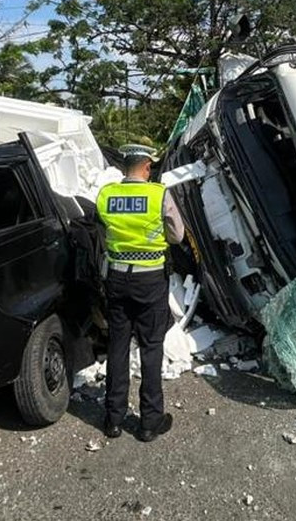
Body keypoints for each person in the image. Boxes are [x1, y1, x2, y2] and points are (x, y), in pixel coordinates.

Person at [95, 144, 185, 443]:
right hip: (150, 283)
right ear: (147, 166)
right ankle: (149, 422)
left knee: (118, 346)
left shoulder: (107, 195)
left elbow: (102, 231)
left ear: (125, 167)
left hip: (117, 280)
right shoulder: (158, 195)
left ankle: (113, 419)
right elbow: (177, 235)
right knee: (150, 347)